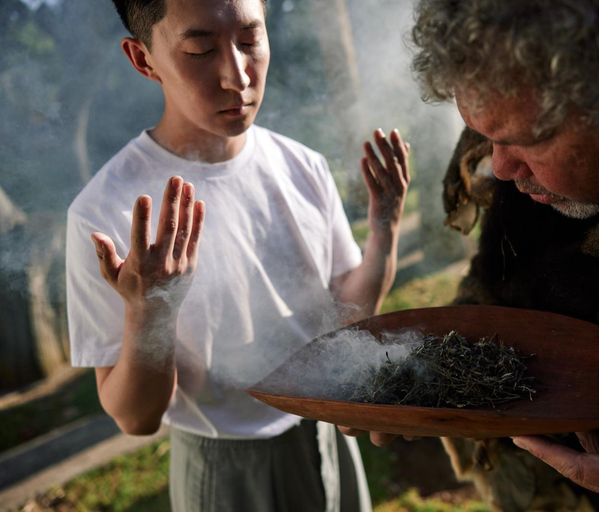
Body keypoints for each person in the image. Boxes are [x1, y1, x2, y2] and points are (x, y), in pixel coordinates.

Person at [343, 1, 599, 511]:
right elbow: (503, 286)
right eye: (486, 137)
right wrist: (438, 372)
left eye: (529, 140)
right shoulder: (527, 105)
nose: (498, 168)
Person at [65, 0, 410, 510]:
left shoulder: (303, 167)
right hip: (224, 468)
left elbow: (347, 319)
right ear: (144, 60)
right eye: (201, 49)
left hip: (329, 439)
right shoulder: (108, 211)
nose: (237, 75)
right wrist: (150, 314)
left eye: (250, 40)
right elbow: (136, 419)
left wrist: (384, 233)